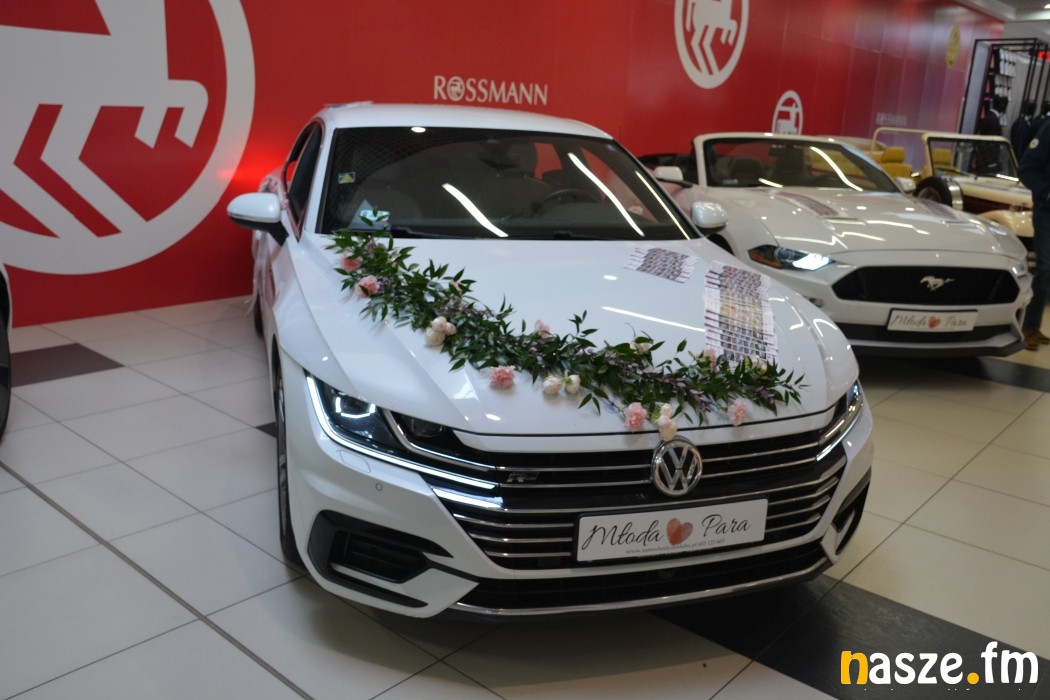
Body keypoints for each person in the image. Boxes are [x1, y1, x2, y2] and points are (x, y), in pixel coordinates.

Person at [1017, 119, 1050, 350]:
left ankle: (1033, 326)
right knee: (1046, 267)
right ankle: (1030, 326)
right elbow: (1027, 168)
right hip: (1047, 211)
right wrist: (1046, 193)